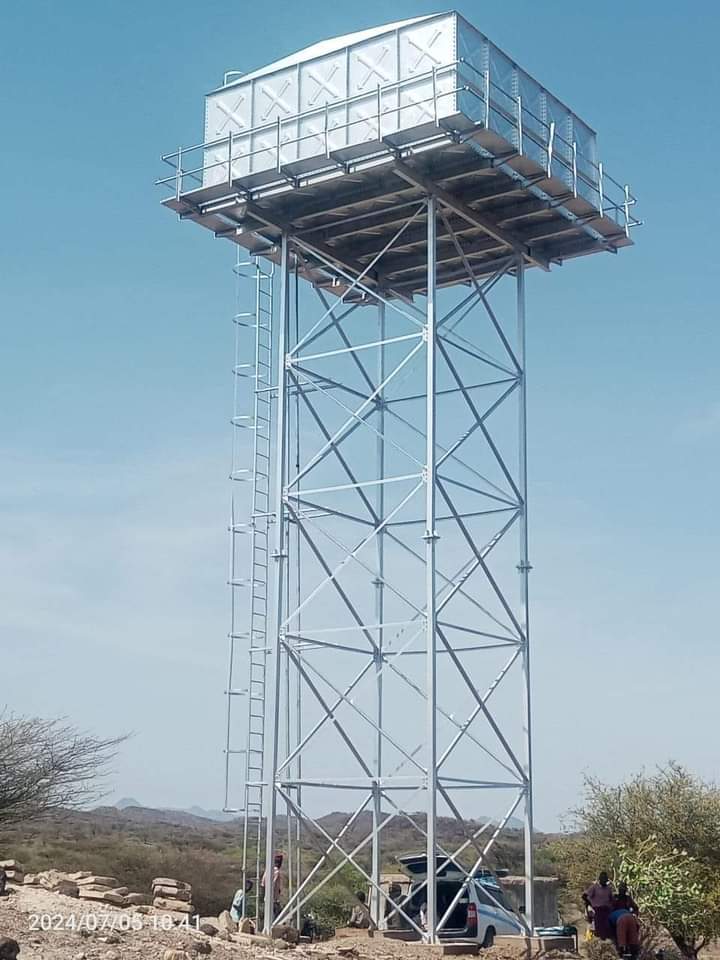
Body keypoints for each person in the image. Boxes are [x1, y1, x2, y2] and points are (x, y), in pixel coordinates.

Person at [610, 882, 640, 958]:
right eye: (621, 889)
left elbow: (636, 908)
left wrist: (634, 914)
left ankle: (627, 952)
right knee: (622, 937)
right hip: (620, 918)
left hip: (624, 918)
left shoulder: (628, 898)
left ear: (625, 890)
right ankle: (625, 951)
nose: (622, 891)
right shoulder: (615, 898)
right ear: (619, 889)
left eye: (623, 889)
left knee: (626, 938)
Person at [582, 871, 614, 940]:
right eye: (603, 880)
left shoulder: (608, 889)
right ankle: (596, 937)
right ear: (600, 879)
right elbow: (584, 896)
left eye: (605, 880)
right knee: (598, 925)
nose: (604, 881)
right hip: (596, 909)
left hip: (606, 910)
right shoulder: (594, 887)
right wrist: (590, 904)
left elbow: (612, 900)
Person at [262, 852, 284, 918]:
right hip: (274, 900)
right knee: (277, 918)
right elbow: (272, 885)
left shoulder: (267, 871)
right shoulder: (276, 872)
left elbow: (263, 883)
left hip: (267, 899)